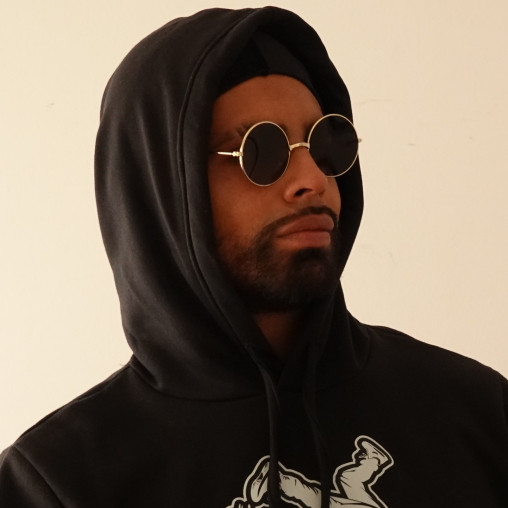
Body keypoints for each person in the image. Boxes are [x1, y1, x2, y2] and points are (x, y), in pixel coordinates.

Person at [0, 6, 507, 507]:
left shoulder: (479, 415)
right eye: (260, 151)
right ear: (162, 191)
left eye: (325, 144)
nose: (312, 180)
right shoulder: (60, 483)